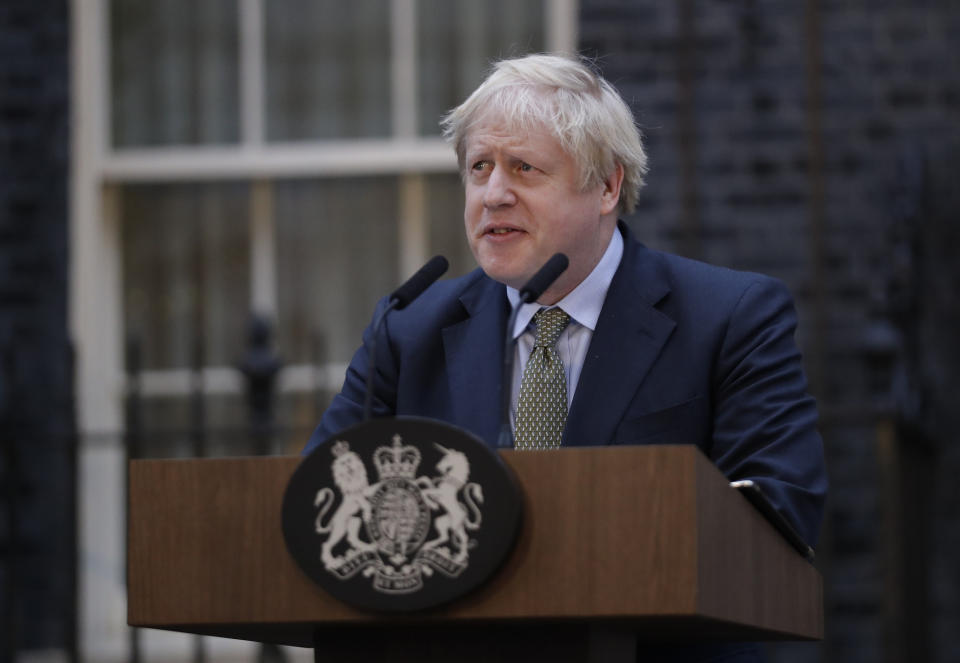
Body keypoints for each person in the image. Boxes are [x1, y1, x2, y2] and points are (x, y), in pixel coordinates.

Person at [305, 54, 826, 662]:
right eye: (479, 168)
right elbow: (317, 507)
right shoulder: (408, 329)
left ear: (606, 186)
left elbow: (778, 509)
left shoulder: (730, 316)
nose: (493, 194)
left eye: (523, 168)